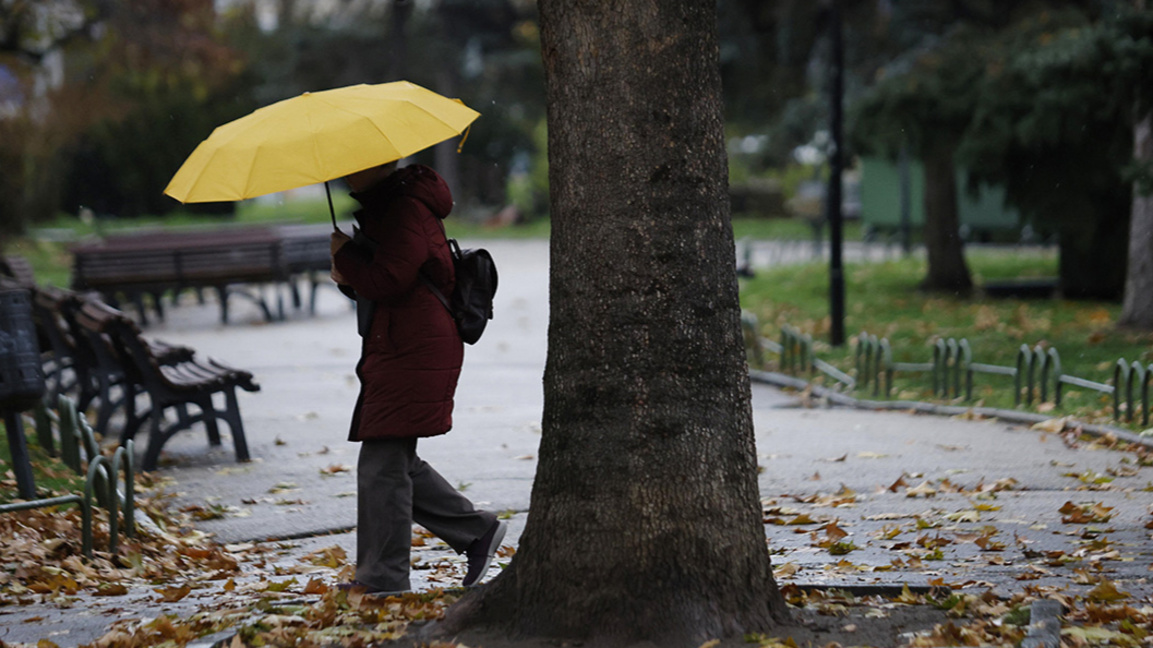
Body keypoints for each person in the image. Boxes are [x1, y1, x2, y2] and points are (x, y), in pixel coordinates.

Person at [329, 160, 506, 594]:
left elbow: (390, 278)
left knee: (381, 465)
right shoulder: (391, 206)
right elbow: (390, 277)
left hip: (414, 346)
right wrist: (347, 271)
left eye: (353, 165)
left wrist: (345, 256)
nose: (345, 173)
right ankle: (476, 531)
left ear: (377, 166)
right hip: (403, 342)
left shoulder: (404, 207)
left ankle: (382, 580)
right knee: (394, 461)